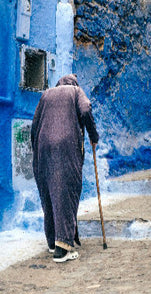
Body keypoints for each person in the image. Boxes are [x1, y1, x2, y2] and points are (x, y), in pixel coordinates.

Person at [30, 74, 99, 263]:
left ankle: (52, 242)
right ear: (73, 83)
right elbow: (85, 110)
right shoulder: (76, 91)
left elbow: (34, 126)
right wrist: (94, 135)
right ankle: (63, 248)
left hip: (42, 148)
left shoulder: (46, 94)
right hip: (66, 146)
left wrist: (38, 150)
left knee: (49, 194)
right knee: (66, 193)